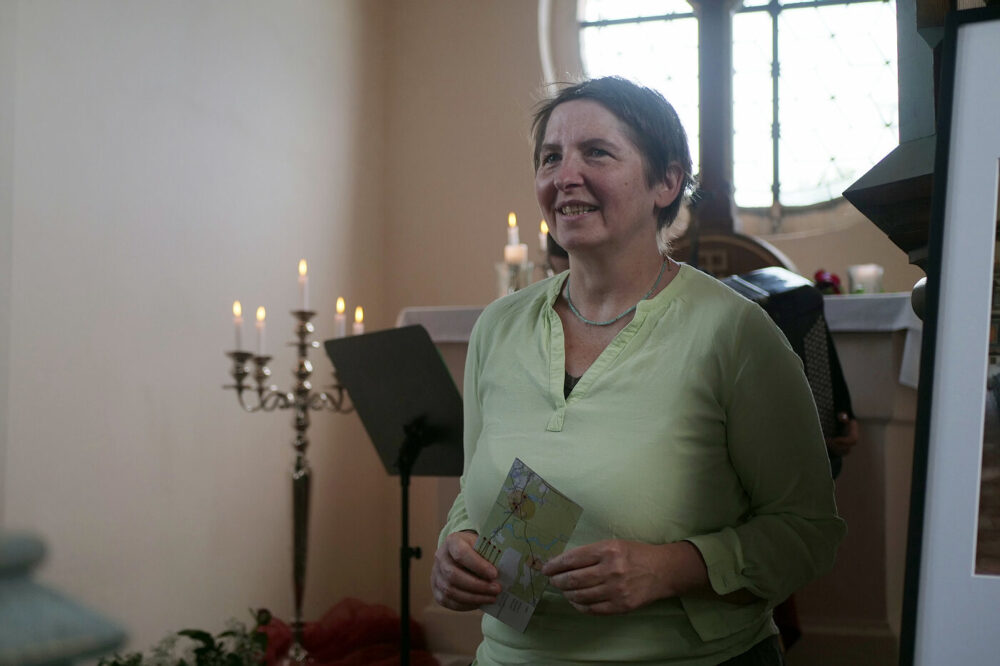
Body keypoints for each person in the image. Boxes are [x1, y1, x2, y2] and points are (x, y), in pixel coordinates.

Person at [430, 77, 845, 665]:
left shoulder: (733, 334)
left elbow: (808, 531)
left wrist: (672, 568)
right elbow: (474, 495)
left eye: (596, 152)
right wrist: (457, 546)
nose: (564, 175)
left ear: (666, 182)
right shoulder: (498, 328)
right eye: (551, 157)